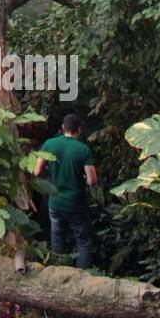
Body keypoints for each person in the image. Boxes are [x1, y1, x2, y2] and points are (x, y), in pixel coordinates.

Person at [34, 114, 97, 269]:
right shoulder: (83, 150)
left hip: (55, 202)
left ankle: (57, 274)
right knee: (83, 242)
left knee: (57, 240)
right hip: (76, 204)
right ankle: (82, 278)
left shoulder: (49, 144)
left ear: (63, 128)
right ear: (79, 130)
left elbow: (36, 172)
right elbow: (92, 181)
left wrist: (51, 173)